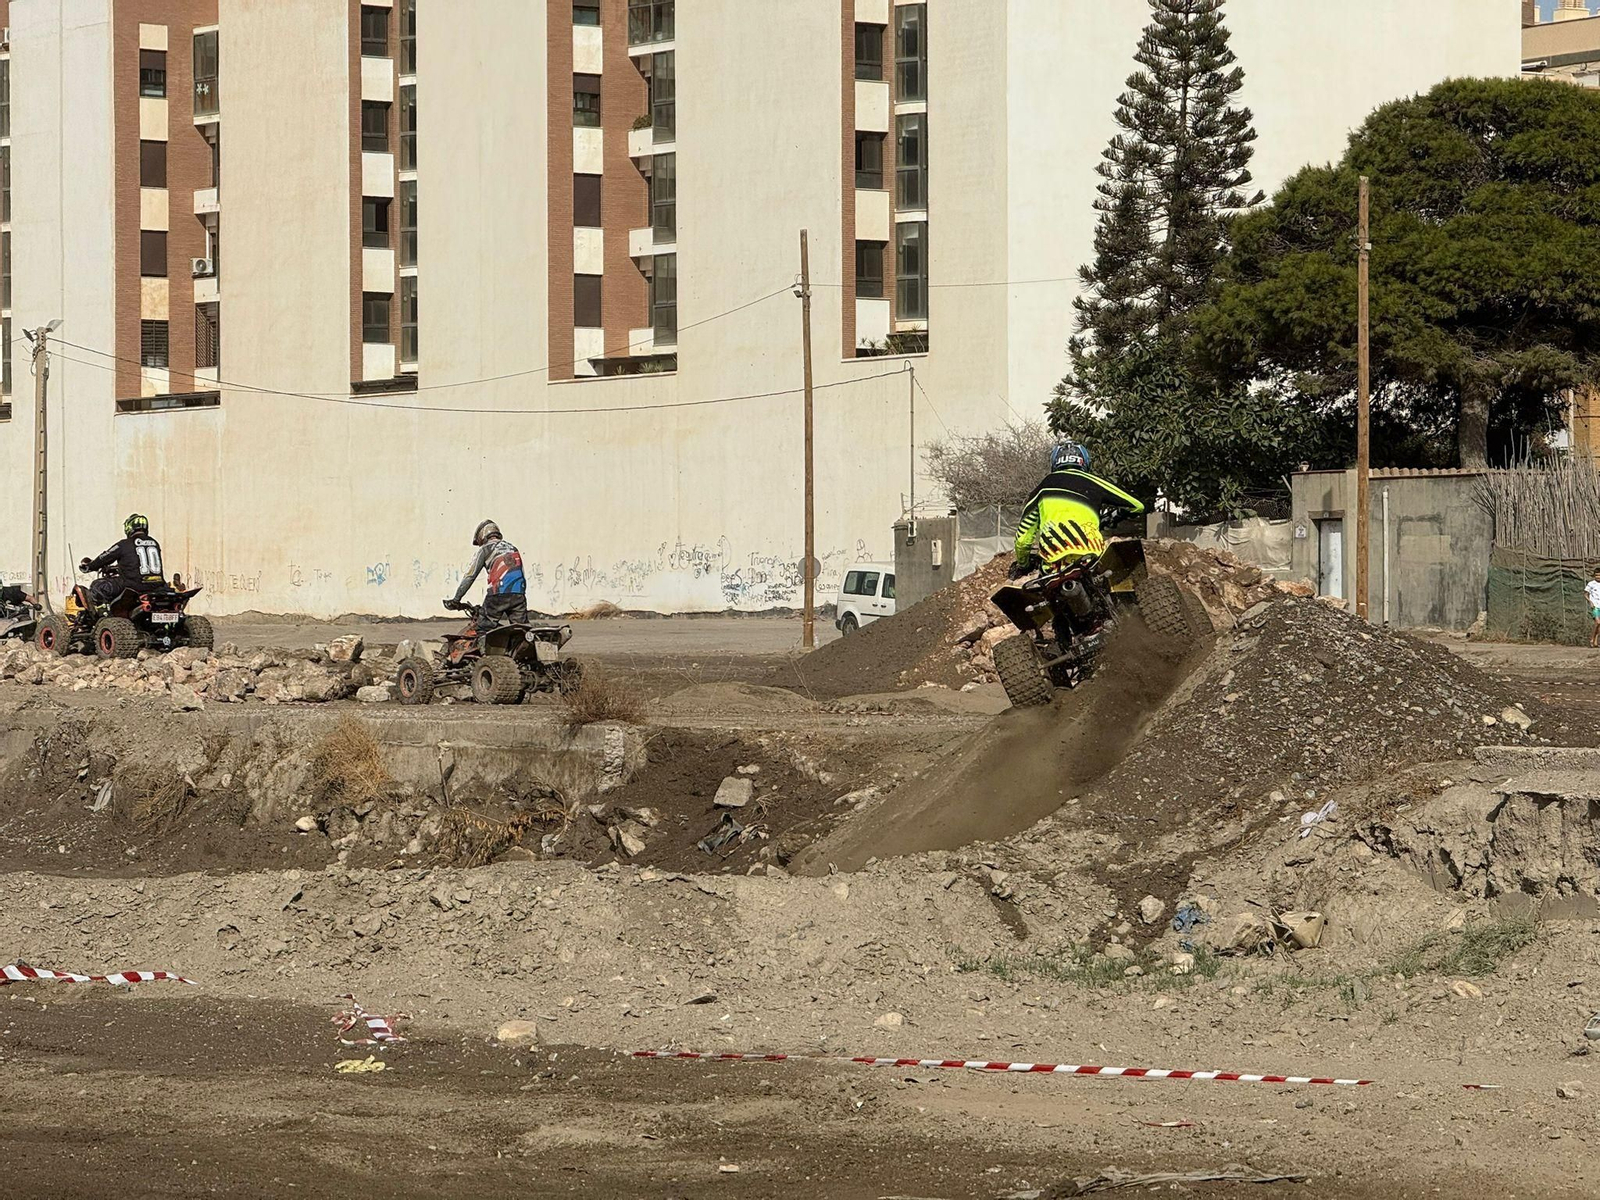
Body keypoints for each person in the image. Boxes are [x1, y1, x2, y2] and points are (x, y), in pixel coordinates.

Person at [1012, 443, 1145, 577]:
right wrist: (1111, 517)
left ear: (1054, 462)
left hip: (1054, 565)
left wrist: (1024, 565)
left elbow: (1023, 540)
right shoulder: (1094, 482)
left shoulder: (1041, 489)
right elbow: (1137, 506)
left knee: (1038, 591)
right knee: (1119, 584)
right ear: (1084, 462)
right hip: (1092, 559)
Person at [447, 519, 527, 625]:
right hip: (519, 594)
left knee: (484, 626)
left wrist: (456, 599)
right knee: (521, 629)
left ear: (482, 535)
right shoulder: (513, 548)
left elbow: (470, 576)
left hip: (497, 594)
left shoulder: (485, 549)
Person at [82, 513, 167, 606]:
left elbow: (104, 557)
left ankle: (104, 615)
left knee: (97, 586)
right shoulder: (154, 543)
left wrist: (89, 566)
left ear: (129, 528)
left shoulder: (124, 544)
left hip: (133, 585)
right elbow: (137, 562)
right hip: (157, 586)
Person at [1587, 566, 1600, 649]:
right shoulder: (1591, 584)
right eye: (1596, 575)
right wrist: (1590, 601)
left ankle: (1595, 642)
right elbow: (1585, 593)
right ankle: (1591, 639)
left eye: (1599, 575)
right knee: (1597, 622)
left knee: (1599, 625)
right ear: (1594, 576)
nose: (1598, 577)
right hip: (1595, 606)